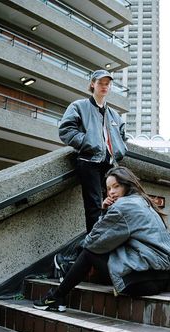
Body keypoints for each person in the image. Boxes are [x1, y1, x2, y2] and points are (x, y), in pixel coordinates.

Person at [33, 166, 170, 312]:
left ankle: (55, 296)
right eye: (109, 188)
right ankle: (66, 273)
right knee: (103, 249)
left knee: (88, 252)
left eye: (116, 186)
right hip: (161, 278)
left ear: (126, 185)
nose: (111, 193)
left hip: (142, 282)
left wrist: (104, 211)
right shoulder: (142, 201)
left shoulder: (123, 207)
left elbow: (93, 241)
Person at [58, 69, 127, 233]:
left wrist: (120, 149)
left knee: (114, 202)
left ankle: (109, 239)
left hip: (110, 164)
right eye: (100, 83)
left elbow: (123, 136)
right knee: (94, 205)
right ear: (92, 84)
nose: (104, 86)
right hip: (89, 162)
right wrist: (88, 143)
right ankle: (94, 243)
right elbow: (66, 130)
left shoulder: (114, 115)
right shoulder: (79, 106)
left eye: (107, 84)